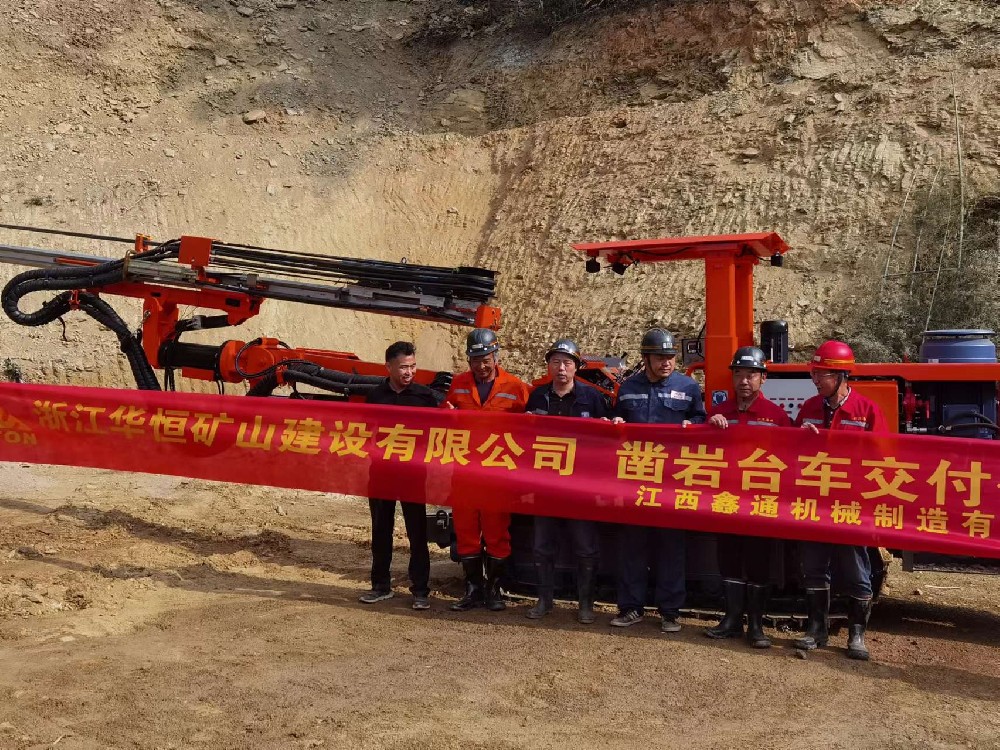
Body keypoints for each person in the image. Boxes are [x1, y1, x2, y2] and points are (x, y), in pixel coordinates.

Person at [793, 340, 887, 660]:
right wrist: (802, 441)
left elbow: (882, 459)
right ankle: (816, 630)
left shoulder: (866, 411)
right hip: (815, 502)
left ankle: (856, 636)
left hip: (851, 504)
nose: (815, 379)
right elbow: (791, 454)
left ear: (841, 376)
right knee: (814, 567)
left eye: (821, 374)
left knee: (856, 570)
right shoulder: (808, 409)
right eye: (814, 373)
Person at [609, 328, 706, 632]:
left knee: (671, 548)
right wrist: (615, 423)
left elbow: (701, 419)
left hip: (672, 482)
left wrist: (694, 424)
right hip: (636, 480)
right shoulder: (628, 388)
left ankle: (670, 612)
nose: (667, 363)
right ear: (646, 358)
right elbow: (616, 421)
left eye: (670, 357)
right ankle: (630, 607)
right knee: (633, 546)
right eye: (660, 357)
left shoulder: (688, 387)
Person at [705, 346, 791, 648]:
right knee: (728, 558)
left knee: (758, 562)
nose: (744, 381)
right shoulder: (719, 414)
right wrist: (708, 427)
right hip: (727, 499)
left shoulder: (776, 417)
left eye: (751, 375)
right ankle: (731, 620)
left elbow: (790, 458)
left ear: (763, 378)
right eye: (738, 374)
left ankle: (755, 626)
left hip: (760, 502)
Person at [444, 328, 530, 612]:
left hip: (497, 474)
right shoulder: (458, 384)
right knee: (466, 530)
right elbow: (446, 419)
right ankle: (472, 590)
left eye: (486, 359)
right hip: (464, 472)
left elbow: (531, 428)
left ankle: (494, 590)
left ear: (496, 357)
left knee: (496, 532)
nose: (481, 366)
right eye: (475, 360)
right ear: (468, 360)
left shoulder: (515, 387)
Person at [524, 338, 608, 624]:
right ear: (548, 366)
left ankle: (585, 604)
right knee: (542, 545)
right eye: (556, 362)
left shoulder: (592, 398)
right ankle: (544, 601)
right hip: (545, 484)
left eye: (567, 363)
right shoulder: (537, 397)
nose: (561, 368)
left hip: (580, 486)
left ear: (577, 367)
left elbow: (608, 438)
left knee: (585, 547)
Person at [359, 341, 440, 610]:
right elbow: (366, 432)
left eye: (413, 366)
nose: (409, 372)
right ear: (389, 367)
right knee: (381, 530)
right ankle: (380, 586)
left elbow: (437, 434)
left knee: (417, 532)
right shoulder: (375, 396)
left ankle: (420, 590)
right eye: (404, 367)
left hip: (412, 474)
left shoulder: (425, 397)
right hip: (381, 473)